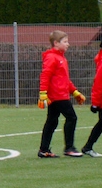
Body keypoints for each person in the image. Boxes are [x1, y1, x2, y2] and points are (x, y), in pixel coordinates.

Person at [37, 30, 87, 158]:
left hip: (60, 94)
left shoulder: (61, 57)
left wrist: (74, 92)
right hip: (57, 95)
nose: (68, 44)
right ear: (56, 43)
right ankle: (69, 148)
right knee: (72, 117)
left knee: (52, 121)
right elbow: (45, 75)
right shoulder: (52, 57)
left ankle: (44, 149)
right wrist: (43, 93)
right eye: (65, 41)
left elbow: (64, 79)